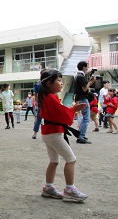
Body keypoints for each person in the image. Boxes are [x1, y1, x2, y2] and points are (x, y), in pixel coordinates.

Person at [38, 69, 88, 202]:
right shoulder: (51, 98)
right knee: (71, 159)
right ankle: (70, 189)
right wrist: (73, 110)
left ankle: (48, 187)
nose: (61, 83)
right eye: (59, 80)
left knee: (54, 161)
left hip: (49, 132)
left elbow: (59, 112)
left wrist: (71, 110)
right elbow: (61, 114)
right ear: (49, 83)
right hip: (54, 133)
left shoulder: (47, 97)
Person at [74, 61, 96, 144]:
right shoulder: (81, 77)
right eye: (87, 67)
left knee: (84, 117)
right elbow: (84, 89)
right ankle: (81, 136)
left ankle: (80, 134)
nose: (87, 68)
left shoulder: (78, 76)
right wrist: (91, 82)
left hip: (79, 98)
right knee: (86, 118)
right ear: (83, 67)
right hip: (83, 98)